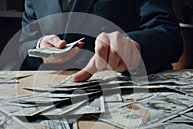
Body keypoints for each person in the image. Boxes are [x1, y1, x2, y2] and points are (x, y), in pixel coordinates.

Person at [19, 0, 183, 82]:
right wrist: (40, 48)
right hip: (55, 96)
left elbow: (169, 34)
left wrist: (134, 46)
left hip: (129, 94)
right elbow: (26, 42)